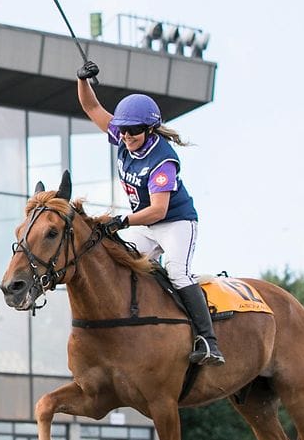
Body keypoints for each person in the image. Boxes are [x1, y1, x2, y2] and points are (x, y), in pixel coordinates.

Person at [75, 59, 224, 366]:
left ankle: (208, 341)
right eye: (124, 130)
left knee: (177, 271)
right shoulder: (122, 135)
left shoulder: (163, 160)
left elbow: (158, 210)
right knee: (125, 265)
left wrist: (122, 220)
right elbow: (91, 108)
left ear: (149, 129)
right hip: (145, 222)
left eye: (134, 132)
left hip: (175, 223)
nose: (127, 137)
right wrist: (82, 80)